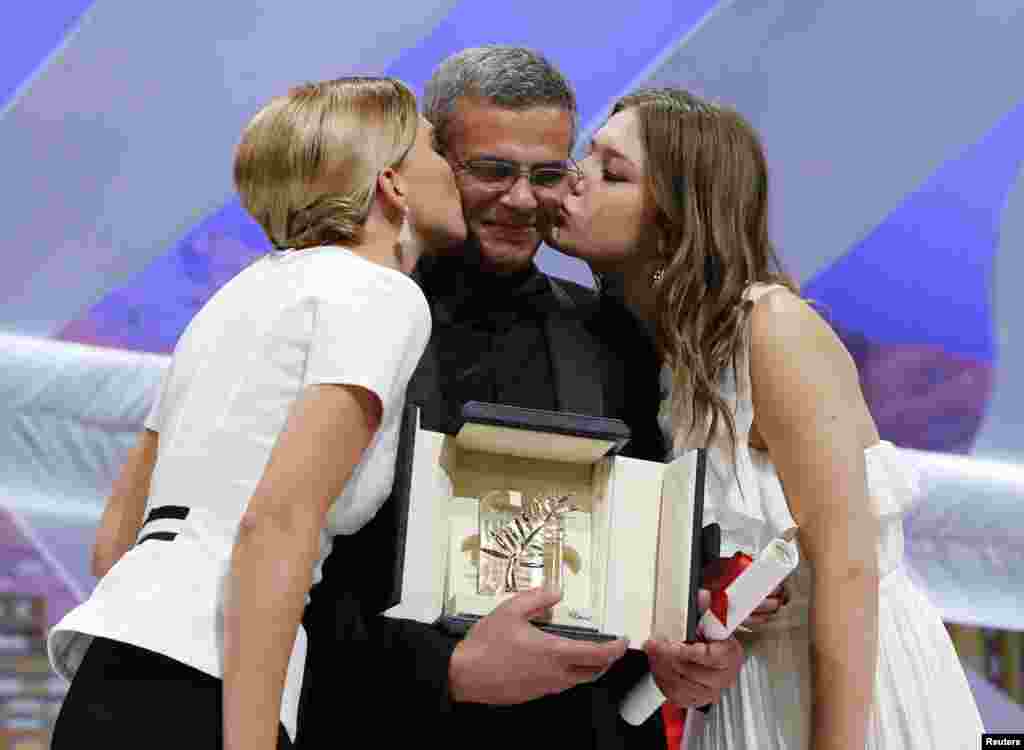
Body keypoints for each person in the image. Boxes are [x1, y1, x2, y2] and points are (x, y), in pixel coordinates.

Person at [298, 47, 754, 750]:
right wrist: (444, 672)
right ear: (428, 158)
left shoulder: (614, 335)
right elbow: (280, 562)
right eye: (491, 170)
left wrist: (688, 653)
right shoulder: (351, 312)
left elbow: (648, 569)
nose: (521, 199)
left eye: (546, 174)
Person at [544, 86, 985, 749]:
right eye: (588, 156)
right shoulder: (656, 349)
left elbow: (847, 569)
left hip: (850, 696)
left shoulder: (769, 328)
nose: (575, 180)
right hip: (746, 700)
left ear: (675, 217)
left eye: (614, 172)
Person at [46, 76, 466, 750]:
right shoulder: (382, 295)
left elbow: (114, 541)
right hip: (206, 691)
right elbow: (277, 522)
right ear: (393, 184)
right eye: (436, 149)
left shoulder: (235, 297)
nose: (454, 169)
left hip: (111, 675)